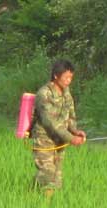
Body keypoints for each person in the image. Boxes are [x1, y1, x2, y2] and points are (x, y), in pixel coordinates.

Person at [30, 60, 86, 198]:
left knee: (57, 178)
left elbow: (71, 115)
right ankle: (42, 204)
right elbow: (50, 122)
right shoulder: (44, 94)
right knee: (47, 174)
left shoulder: (67, 93)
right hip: (44, 139)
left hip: (60, 141)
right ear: (56, 75)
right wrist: (71, 138)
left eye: (71, 78)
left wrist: (75, 131)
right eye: (66, 77)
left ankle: (33, 196)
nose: (69, 81)